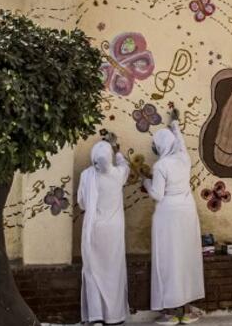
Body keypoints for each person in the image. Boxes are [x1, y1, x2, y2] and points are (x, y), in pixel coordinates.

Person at [144, 107, 205, 324]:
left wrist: (146, 182)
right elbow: (180, 143)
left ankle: (170, 313)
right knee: (186, 257)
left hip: (168, 214)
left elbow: (157, 195)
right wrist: (175, 124)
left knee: (169, 259)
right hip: (187, 211)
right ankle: (187, 311)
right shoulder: (183, 158)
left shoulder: (161, 166)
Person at [77, 137, 130, 325]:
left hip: (94, 230)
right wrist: (117, 150)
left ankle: (96, 316)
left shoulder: (86, 176)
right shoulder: (117, 174)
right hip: (114, 232)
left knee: (93, 272)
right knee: (113, 272)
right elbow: (126, 166)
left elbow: (82, 203)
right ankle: (114, 316)